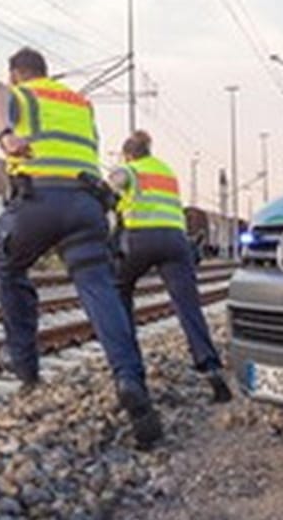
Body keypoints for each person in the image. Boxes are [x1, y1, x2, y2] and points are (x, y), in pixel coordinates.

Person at [0, 47, 163, 447]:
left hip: (36, 202)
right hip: (85, 206)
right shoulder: (81, 104)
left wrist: (6, 134)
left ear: (18, 74)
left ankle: (26, 367)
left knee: (9, 270)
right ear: (48, 72)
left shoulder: (21, 92)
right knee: (99, 289)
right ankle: (131, 382)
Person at [110, 130, 233, 403]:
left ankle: (131, 372)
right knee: (188, 305)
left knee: (119, 291)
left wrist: (109, 184)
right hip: (175, 242)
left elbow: (117, 183)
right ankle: (211, 368)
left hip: (140, 239)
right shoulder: (166, 171)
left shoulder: (130, 169)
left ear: (129, 154)